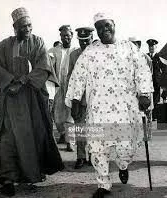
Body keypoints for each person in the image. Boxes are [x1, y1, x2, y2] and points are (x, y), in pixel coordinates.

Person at [65, 12, 153, 198]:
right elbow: (78, 76)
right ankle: (103, 184)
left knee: (126, 147)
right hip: (98, 109)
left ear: (114, 24)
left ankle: (122, 165)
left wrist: (144, 93)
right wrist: (74, 100)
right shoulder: (90, 52)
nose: (103, 30)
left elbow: (143, 71)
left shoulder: (129, 48)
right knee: (97, 147)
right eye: (99, 27)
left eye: (107, 25)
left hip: (125, 109)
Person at [0, 7, 63, 197]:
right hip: (9, 101)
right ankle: (7, 180)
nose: (28, 29)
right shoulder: (3, 46)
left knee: (32, 137)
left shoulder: (38, 42)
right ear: (15, 27)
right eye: (23, 26)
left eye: (30, 25)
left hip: (31, 100)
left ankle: (31, 174)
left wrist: (22, 81)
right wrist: (9, 83)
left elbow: (43, 66)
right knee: (7, 139)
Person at [67, 27, 94, 169]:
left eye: (87, 41)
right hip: (79, 99)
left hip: (96, 99)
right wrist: (71, 98)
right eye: (81, 41)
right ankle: (81, 157)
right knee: (80, 128)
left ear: (92, 38)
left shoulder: (99, 54)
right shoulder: (73, 55)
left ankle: (94, 156)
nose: (84, 44)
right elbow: (70, 77)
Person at [49, 25, 76, 151]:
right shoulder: (53, 51)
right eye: (64, 35)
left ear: (72, 36)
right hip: (58, 86)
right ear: (60, 36)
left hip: (71, 87)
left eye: (68, 35)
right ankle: (63, 133)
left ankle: (70, 141)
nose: (66, 38)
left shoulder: (76, 51)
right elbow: (49, 65)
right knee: (58, 115)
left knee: (70, 114)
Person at [147, 39, 166, 119]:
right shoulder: (146, 56)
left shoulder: (159, 57)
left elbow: (164, 68)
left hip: (157, 82)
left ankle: (154, 117)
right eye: (150, 46)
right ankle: (149, 116)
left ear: (156, 47)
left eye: (153, 46)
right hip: (148, 82)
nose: (151, 48)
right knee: (148, 99)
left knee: (156, 99)